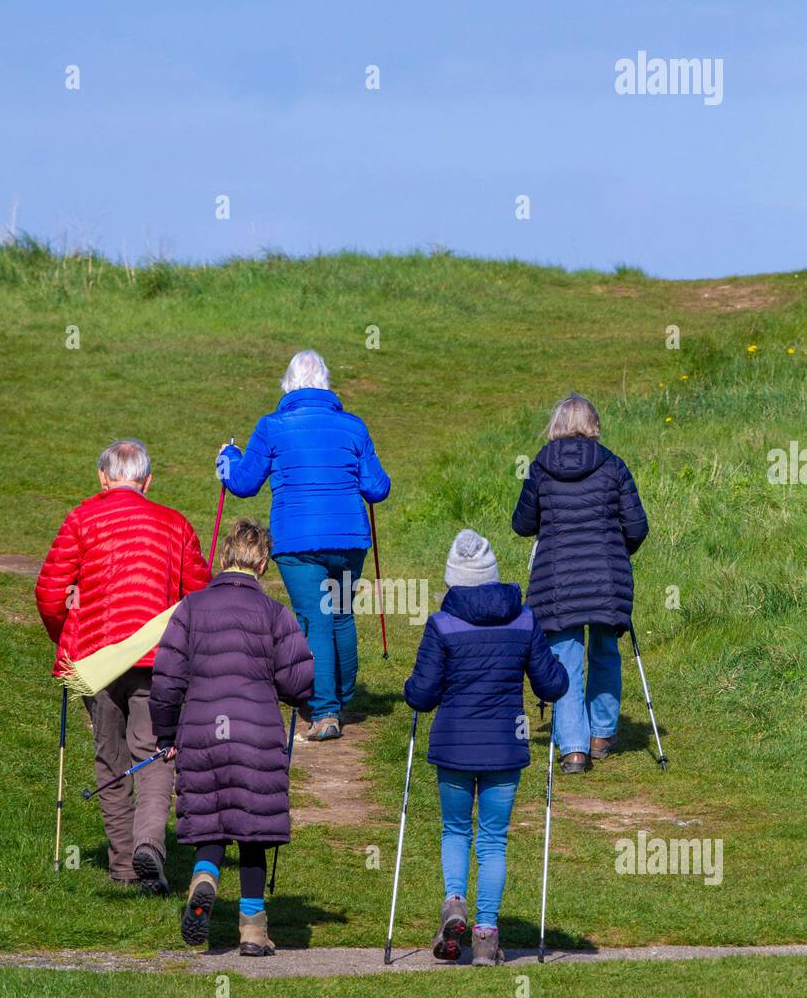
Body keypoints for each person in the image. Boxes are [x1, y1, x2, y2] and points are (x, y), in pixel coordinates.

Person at [35, 439, 211, 890]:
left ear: (103, 478)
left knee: (109, 755)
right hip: (156, 657)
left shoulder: (82, 518)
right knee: (154, 753)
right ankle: (148, 841)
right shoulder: (175, 525)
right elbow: (199, 597)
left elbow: (49, 592)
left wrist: (66, 634)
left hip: (96, 657)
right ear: (148, 481)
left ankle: (123, 866)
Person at [148, 518, 314, 954]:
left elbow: (166, 679)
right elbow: (297, 685)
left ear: (223, 558)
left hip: (202, 731)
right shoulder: (276, 613)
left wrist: (165, 734)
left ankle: (204, 878)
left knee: (212, 822)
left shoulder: (190, 608)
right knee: (254, 831)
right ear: (263, 565)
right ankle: (254, 931)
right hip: (256, 734)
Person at [404, 530, 567, 966]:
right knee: (493, 840)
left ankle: (454, 902)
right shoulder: (525, 620)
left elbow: (422, 696)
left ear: (454, 579)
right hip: (505, 748)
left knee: (456, 830)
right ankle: (486, 935)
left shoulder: (442, 624)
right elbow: (551, 685)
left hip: (454, 745)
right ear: (493, 575)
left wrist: (409, 685)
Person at [215, 349, 390, 741]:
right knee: (341, 615)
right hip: (348, 539)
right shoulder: (353, 427)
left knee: (314, 620)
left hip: (299, 542)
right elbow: (378, 488)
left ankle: (326, 710)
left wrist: (227, 458)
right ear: (326, 382)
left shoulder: (272, 426)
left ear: (288, 384)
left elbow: (243, 483)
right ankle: (341, 698)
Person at [512, 394, 649, 774]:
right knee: (605, 652)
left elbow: (522, 524)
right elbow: (638, 526)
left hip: (557, 579)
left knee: (565, 659)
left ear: (556, 425)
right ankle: (601, 735)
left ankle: (573, 749)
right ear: (594, 425)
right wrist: (620, 551)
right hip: (607, 576)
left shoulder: (539, 467)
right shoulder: (613, 466)